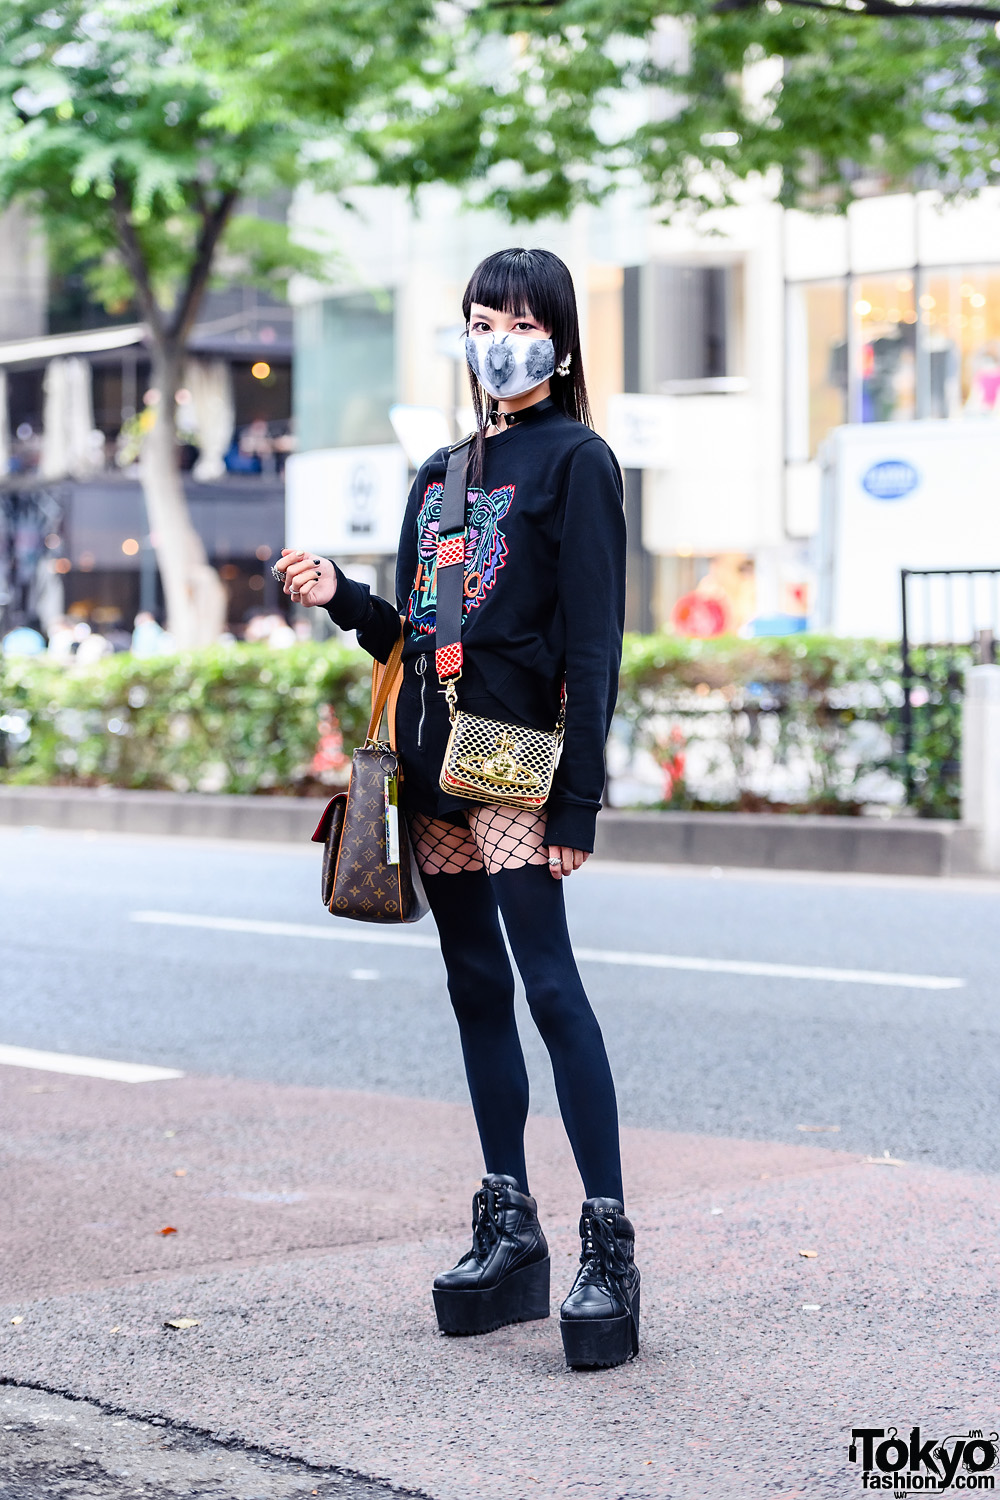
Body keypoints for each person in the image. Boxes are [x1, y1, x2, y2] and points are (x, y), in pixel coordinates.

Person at [275, 248, 639, 1371]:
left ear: (560, 342)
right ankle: (508, 1226)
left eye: (521, 321)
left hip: (517, 757)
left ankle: (609, 1245)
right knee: (473, 986)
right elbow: (414, 639)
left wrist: (578, 796)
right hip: (433, 756)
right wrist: (345, 601)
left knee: (550, 989)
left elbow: (591, 641)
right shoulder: (438, 474)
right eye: (484, 318)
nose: (500, 338)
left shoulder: (578, 461)